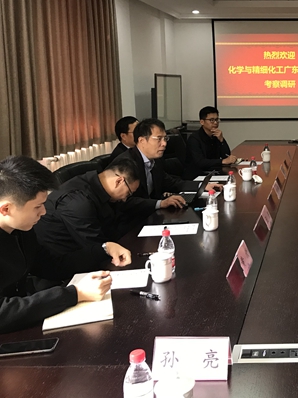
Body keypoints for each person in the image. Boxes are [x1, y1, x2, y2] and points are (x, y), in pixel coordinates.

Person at [0, 156, 131, 334]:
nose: (44, 212)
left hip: (22, 326)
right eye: (37, 206)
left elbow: (52, 265)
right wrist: (75, 294)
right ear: (6, 209)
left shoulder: (21, 230)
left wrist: (103, 249)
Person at [34, 157, 141, 256]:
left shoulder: (96, 187)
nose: (125, 199)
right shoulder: (77, 201)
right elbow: (97, 247)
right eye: (128, 193)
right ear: (119, 181)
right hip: (63, 259)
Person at [115, 118, 221, 215]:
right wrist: (160, 203)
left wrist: (201, 186)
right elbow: (124, 202)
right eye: (159, 139)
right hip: (131, 220)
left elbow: (171, 182)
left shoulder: (155, 160)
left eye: (165, 138)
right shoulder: (125, 164)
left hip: (151, 214)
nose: (164, 143)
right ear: (142, 140)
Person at [183, 106, 238, 180]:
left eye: (217, 119)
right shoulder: (194, 139)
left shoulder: (215, 135)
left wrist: (221, 140)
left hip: (212, 172)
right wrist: (222, 161)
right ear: (202, 122)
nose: (215, 123)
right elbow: (200, 162)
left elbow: (226, 155)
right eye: (212, 120)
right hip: (197, 176)